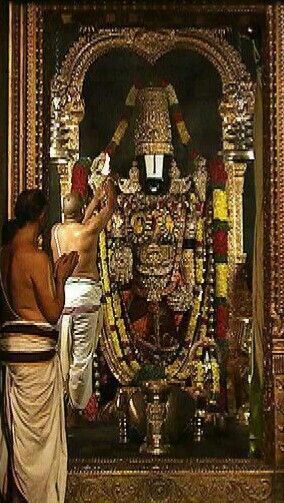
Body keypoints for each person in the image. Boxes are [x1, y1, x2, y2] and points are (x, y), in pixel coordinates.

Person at [0, 189, 78, 503]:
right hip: (35, 362)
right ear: (42, 217)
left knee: (16, 439)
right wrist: (60, 277)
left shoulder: (4, 252)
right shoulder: (34, 257)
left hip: (12, 358)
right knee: (38, 448)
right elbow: (53, 312)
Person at [51, 175, 117, 416]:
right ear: (80, 211)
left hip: (63, 296)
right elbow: (110, 209)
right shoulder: (88, 231)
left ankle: (62, 405)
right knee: (81, 356)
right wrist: (108, 191)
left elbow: (79, 222)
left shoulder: (56, 231)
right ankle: (76, 410)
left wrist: (93, 200)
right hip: (86, 298)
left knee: (63, 352)